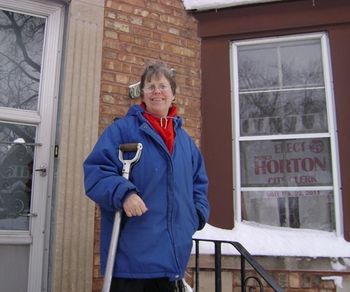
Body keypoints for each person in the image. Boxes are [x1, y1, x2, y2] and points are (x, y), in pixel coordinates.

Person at [83, 61, 210, 292]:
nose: (157, 92)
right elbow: (96, 172)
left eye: (162, 86)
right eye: (150, 86)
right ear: (143, 93)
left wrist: (196, 215)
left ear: (173, 93)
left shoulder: (185, 142)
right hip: (132, 263)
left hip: (172, 261)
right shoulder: (123, 131)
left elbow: (198, 184)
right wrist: (124, 194)